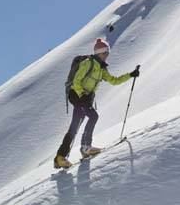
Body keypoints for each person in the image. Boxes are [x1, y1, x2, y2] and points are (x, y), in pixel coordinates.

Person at [55, 38, 139, 169]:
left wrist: (131, 75)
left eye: (107, 53)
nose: (107, 55)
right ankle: (86, 147)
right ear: (99, 52)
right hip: (76, 94)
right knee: (93, 116)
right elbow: (76, 81)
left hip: (85, 98)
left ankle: (60, 157)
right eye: (105, 52)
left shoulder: (102, 69)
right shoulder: (88, 63)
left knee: (75, 126)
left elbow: (114, 80)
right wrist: (82, 95)